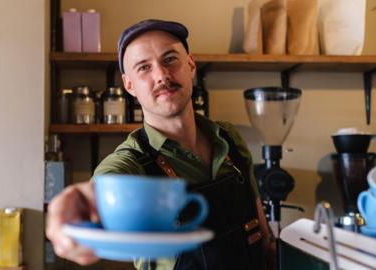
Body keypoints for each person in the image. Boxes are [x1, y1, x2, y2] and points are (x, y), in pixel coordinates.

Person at [46, 19, 276, 270]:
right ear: (129, 85)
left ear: (190, 65)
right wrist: (73, 205)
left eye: (169, 59)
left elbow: (263, 235)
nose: (162, 75)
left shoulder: (229, 137)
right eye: (144, 67)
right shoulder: (132, 162)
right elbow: (99, 190)